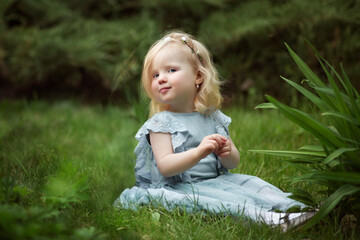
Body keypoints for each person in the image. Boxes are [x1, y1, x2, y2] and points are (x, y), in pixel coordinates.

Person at [114, 31, 315, 230]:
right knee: (226, 204)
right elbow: (166, 166)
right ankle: (270, 220)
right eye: (155, 74)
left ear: (198, 77)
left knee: (253, 185)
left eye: (171, 70)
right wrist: (198, 152)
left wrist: (227, 151)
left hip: (217, 181)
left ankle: (301, 208)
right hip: (182, 188)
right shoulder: (160, 123)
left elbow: (233, 162)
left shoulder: (211, 117)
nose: (161, 78)